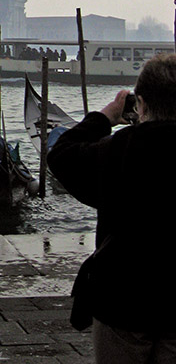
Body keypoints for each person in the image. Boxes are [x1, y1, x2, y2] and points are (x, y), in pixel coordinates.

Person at [48, 53, 176, 364]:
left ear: (141, 104)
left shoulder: (120, 148)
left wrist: (104, 117)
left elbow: (61, 155)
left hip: (123, 296)